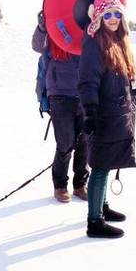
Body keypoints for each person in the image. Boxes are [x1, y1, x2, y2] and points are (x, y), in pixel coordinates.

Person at [78, 0, 136, 238]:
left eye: (117, 14)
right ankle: (94, 221)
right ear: (98, 17)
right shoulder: (94, 43)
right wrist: (90, 112)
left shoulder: (119, 41)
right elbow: (88, 80)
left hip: (118, 112)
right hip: (104, 113)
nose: (113, 19)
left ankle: (102, 207)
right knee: (101, 166)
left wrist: (132, 86)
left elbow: (117, 75)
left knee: (107, 162)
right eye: (107, 15)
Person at [32, 11, 89, 203]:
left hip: (84, 94)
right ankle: (60, 186)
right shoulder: (56, 28)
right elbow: (38, 46)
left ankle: (80, 184)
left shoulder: (87, 29)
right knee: (65, 143)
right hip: (59, 95)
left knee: (85, 142)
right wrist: (42, 27)